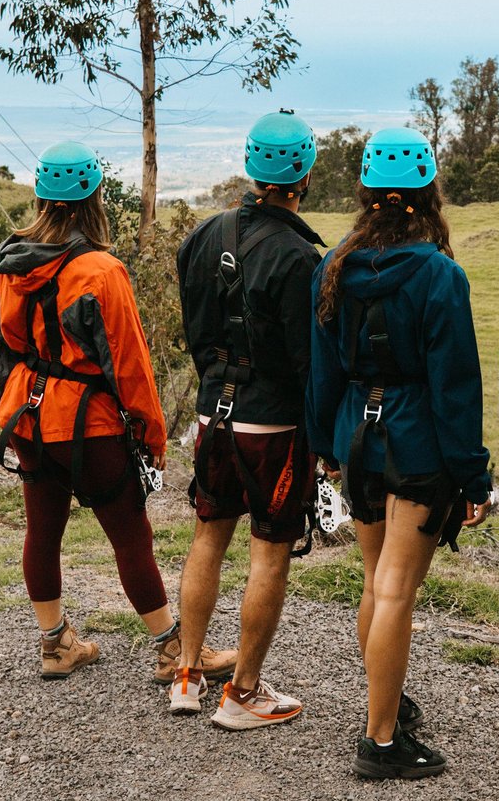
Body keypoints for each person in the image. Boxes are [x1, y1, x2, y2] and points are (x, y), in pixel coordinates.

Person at [308, 127, 492, 778]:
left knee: (375, 582)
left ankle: (386, 703)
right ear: (428, 194)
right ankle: (380, 742)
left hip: (357, 443)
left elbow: (322, 375)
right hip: (414, 450)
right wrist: (474, 479)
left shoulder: (333, 266)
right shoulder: (440, 275)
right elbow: (456, 389)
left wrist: (324, 451)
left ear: (364, 194)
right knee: (394, 593)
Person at [0, 141, 186, 680]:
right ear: (93, 197)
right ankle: (172, 653)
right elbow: (128, 363)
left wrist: (5, 408)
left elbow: (0, 349)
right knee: (130, 535)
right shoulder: (100, 270)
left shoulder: (9, 261)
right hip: (87, 421)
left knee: (42, 530)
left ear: (40, 196)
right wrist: (151, 433)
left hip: (26, 416)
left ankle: (55, 646)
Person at [173, 109, 322, 728]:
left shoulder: (202, 236)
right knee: (269, 553)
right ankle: (243, 694)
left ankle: (185, 675)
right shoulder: (300, 258)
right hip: (271, 427)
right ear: (304, 175)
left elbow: (193, 331)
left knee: (209, 537)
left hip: (213, 417)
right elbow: (303, 361)